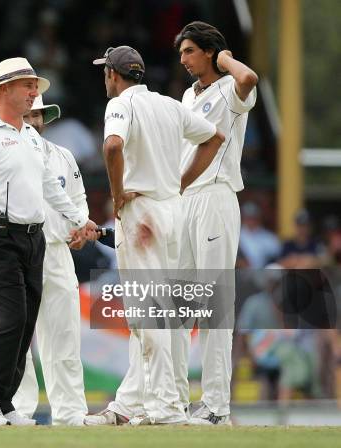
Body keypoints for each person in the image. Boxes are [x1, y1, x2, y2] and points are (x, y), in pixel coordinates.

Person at [84, 45, 224, 426]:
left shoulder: (121, 105)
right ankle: (131, 405)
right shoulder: (169, 105)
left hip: (142, 211)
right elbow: (215, 139)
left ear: (113, 75)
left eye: (106, 72)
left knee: (149, 315)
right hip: (171, 211)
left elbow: (112, 145)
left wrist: (116, 195)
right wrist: (178, 185)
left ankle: (164, 407)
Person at [0, 57, 97, 426]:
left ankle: (4, 405)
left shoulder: (31, 138)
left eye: (35, 86)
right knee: (11, 320)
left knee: (22, 322)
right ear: (3, 91)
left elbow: (53, 188)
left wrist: (82, 220)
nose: (34, 93)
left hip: (32, 239)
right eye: (27, 86)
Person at [173, 21, 259, 425]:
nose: (184, 60)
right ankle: (174, 399)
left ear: (209, 51)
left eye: (190, 51)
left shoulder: (230, 87)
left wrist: (224, 57)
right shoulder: (188, 95)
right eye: (182, 54)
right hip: (184, 199)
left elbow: (249, 76)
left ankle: (216, 407)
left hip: (215, 196)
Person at [11, 95, 89, 425]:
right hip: (18, 251)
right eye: (25, 114)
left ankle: (70, 415)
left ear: (44, 118)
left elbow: (78, 199)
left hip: (57, 252)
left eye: (36, 114)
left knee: (65, 336)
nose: (32, 120)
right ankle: (18, 410)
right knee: (15, 338)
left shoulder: (62, 156)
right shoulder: (6, 154)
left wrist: (81, 226)